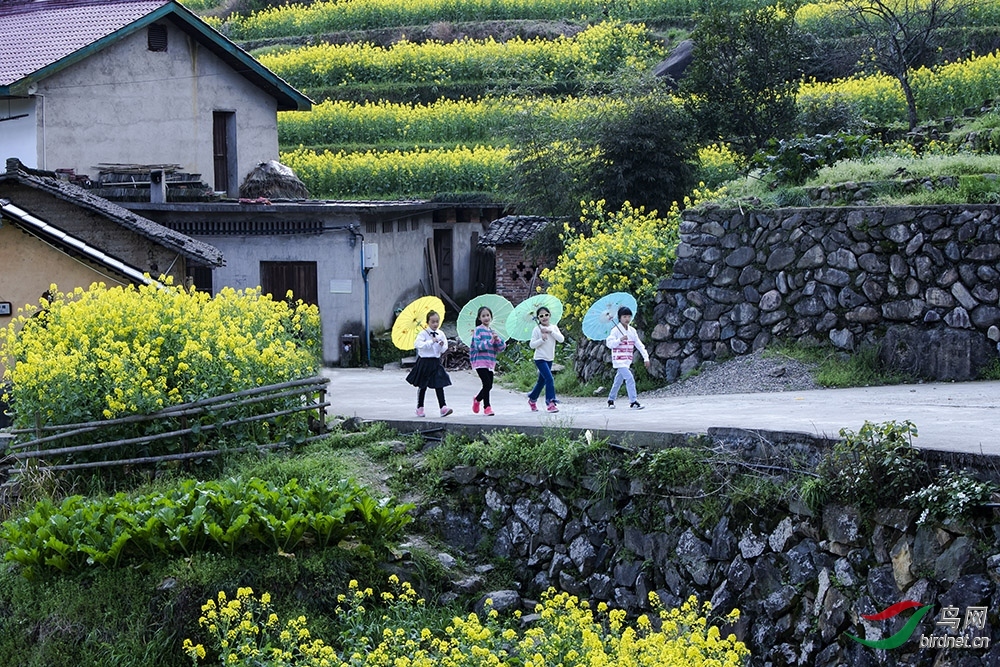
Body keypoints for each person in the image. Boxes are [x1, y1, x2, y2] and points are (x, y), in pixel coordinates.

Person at [405, 310, 452, 417]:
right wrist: (431, 341)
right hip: (424, 362)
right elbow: (418, 345)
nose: (435, 324)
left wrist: (441, 345)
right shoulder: (423, 334)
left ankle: (443, 407)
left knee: (439, 384)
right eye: (433, 322)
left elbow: (444, 348)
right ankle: (420, 407)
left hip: (436, 362)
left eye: (437, 322)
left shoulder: (441, 333)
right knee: (423, 385)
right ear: (428, 323)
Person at [605, 306, 650, 410]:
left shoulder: (632, 331)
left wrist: (646, 357)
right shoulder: (615, 331)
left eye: (629, 316)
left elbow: (639, 344)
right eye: (624, 316)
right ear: (620, 318)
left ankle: (611, 399)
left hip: (627, 361)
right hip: (619, 361)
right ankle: (633, 402)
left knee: (618, 381)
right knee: (629, 378)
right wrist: (619, 340)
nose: (627, 319)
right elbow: (610, 344)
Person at [470, 306, 506, 416]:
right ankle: (487, 407)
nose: (486, 318)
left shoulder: (492, 331)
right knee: (486, 383)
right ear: (479, 318)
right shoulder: (478, 330)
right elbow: (477, 346)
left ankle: (477, 399)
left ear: (491, 317)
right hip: (480, 362)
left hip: (490, 362)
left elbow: (500, 348)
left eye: (488, 315)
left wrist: (497, 340)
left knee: (489, 385)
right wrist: (490, 341)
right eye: (483, 316)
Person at [527, 306, 564, 413]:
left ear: (550, 315)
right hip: (540, 358)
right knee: (549, 378)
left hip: (549, 358)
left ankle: (532, 399)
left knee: (541, 381)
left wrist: (550, 332)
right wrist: (541, 339)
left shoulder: (553, 327)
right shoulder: (536, 329)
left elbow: (561, 339)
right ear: (538, 318)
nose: (544, 317)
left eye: (546, 315)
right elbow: (532, 345)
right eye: (541, 316)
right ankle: (550, 402)